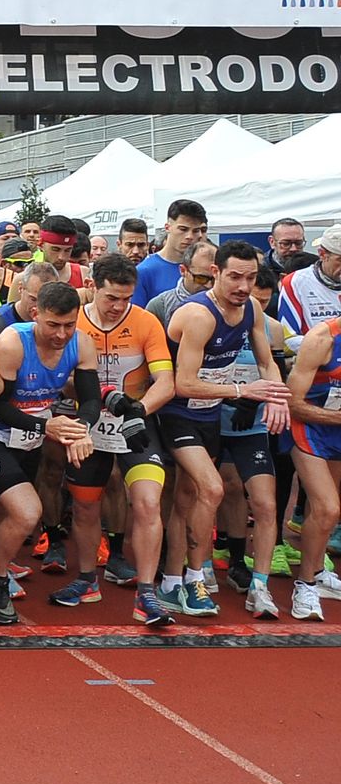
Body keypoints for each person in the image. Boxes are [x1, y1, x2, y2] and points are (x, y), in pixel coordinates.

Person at [0, 282, 99, 624]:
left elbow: (90, 398)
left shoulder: (82, 343)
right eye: (53, 325)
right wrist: (45, 427)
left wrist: (81, 429)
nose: (62, 334)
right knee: (26, 511)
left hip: (29, 435)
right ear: (36, 315)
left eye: (69, 325)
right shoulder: (12, 342)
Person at [160, 240, 289, 617]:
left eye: (250, 277)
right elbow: (183, 383)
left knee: (187, 497)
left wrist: (277, 396)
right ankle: (197, 580)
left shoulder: (251, 309)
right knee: (212, 488)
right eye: (235, 276)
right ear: (215, 272)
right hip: (176, 411)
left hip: (208, 415)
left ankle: (172, 581)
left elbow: (267, 362)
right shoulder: (198, 316)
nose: (244, 286)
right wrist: (240, 390)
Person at [61, 255, 176, 626]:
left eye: (126, 299)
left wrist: (138, 411)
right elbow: (57, 374)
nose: (118, 307)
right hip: (90, 423)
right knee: (84, 507)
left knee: (146, 503)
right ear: (93, 286)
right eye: (112, 297)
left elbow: (166, 382)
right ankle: (86, 580)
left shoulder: (146, 322)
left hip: (135, 425)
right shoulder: (73, 319)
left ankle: (147, 595)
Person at [221, 265, 293, 619]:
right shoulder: (207, 317)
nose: (254, 300)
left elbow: (271, 366)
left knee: (264, 504)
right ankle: (213, 563)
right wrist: (235, 398)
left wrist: (268, 399)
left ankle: (260, 585)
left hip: (251, 425)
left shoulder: (271, 328)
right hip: (214, 419)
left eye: (263, 298)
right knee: (224, 489)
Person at [286, 315, 341, 619]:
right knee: (327, 507)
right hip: (308, 427)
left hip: (336, 429)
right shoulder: (322, 339)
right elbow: (293, 402)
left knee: (329, 509)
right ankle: (304, 585)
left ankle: (319, 572)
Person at [134, 199, 209, 306]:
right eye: (183, 229)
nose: (190, 236)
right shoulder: (144, 271)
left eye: (196, 231)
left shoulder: (207, 268)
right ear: (167, 227)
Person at [278, 223, 341, 335]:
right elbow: (288, 338)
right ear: (322, 254)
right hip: (316, 350)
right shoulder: (295, 282)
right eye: (340, 260)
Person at [144, 240, 217, 331]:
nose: (209, 285)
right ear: (183, 270)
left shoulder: (230, 304)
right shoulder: (160, 306)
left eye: (215, 279)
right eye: (201, 278)